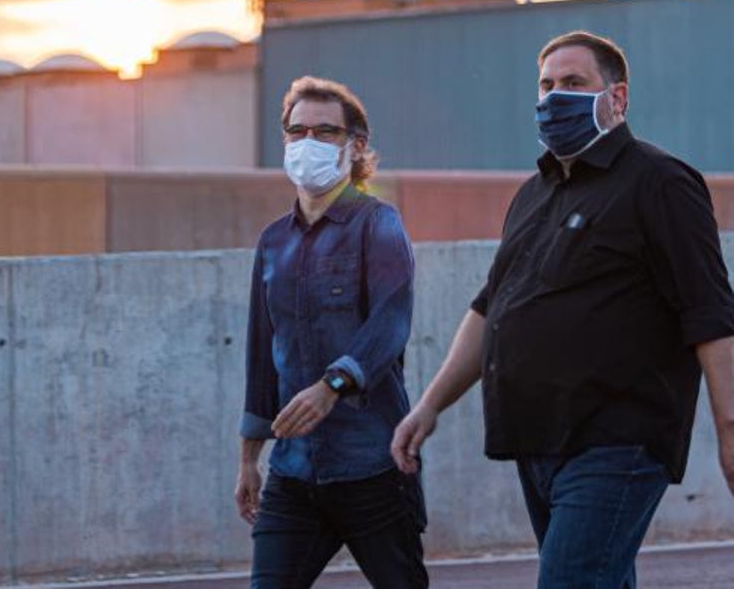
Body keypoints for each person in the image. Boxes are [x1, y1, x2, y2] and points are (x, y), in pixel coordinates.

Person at [391, 30, 734, 589]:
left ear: (617, 98)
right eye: (546, 86)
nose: (555, 98)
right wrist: (429, 406)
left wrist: (730, 429)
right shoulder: (533, 193)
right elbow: (490, 310)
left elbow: (711, 313)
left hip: (617, 440)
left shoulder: (661, 183)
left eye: (574, 83)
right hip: (538, 441)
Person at [235, 76, 428, 589]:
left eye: (324, 132)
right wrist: (250, 458)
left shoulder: (378, 225)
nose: (308, 144)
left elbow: (389, 326)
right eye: (297, 132)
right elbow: (261, 354)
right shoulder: (273, 242)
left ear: (355, 144)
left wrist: (332, 386)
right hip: (295, 472)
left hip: (372, 467)